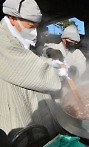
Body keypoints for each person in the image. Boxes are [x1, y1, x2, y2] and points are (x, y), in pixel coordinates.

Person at [0, 0, 68, 138]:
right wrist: (59, 72)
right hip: (13, 102)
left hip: (32, 98)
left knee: (40, 135)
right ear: (12, 18)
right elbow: (30, 70)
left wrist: (50, 59)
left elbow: (30, 56)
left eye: (36, 27)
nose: (34, 32)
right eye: (31, 26)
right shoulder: (3, 40)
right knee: (26, 139)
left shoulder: (16, 35)